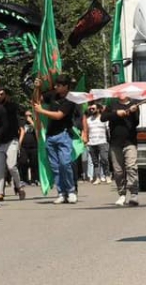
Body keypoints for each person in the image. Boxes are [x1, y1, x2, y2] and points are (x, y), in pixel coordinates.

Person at [33, 75, 78, 204]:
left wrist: (42, 111)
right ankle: (61, 192)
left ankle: (70, 191)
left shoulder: (70, 99)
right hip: (50, 136)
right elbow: (37, 100)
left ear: (66, 87)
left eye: (59, 85)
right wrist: (37, 88)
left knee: (65, 164)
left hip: (63, 135)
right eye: (56, 85)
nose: (56, 87)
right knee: (55, 167)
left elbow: (59, 115)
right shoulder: (52, 95)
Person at [101, 95, 140, 206]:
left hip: (130, 142)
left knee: (131, 167)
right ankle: (122, 194)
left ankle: (134, 194)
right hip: (115, 143)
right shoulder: (112, 105)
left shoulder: (134, 105)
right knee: (118, 171)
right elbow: (103, 117)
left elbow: (136, 122)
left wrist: (132, 112)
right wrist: (116, 114)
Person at [0, 87, 25, 201]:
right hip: (0, 142)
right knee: (0, 168)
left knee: (11, 166)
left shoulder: (12, 107)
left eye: (2, 94)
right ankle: (0, 193)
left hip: (12, 141)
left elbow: (12, 109)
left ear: (7, 96)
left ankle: (20, 187)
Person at [85, 103, 110, 185]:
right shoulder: (88, 120)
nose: (91, 110)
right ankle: (98, 178)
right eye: (90, 109)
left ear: (99, 109)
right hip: (92, 143)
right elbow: (86, 131)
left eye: (93, 108)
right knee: (95, 162)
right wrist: (86, 142)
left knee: (104, 159)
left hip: (102, 142)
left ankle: (107, 176)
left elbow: (108, 130)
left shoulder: (104, 119)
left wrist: (110, 140)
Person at [19, 110, 38, 185]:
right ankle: (24, 179)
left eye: (30, 115)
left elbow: (38, 130)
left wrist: (32, 122)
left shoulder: (35, 121)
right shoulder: (22, 122)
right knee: (23, 162)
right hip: (24, 146)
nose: (28, 117)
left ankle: (34, 179)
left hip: (34, 145)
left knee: (34, 163)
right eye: (26, 116)